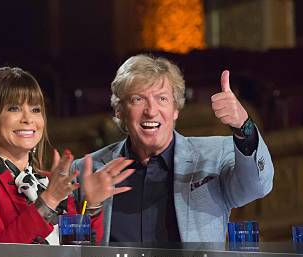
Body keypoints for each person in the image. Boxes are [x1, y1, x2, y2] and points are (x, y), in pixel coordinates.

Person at [72, 54, 274, 244]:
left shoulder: (215, 155)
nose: (151, 111)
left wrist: (244, 126)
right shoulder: (86, 170)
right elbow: (67, 254)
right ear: (119, 111)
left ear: (176, 109)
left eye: (162, 99)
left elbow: (257, 186)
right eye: (138, 99)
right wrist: (89, 208)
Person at [0, 67, 133, 244]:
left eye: (36, 109)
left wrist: (90, 206)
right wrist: (49, 201)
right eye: (14, 108)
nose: (28, 119)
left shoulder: (51, 180)